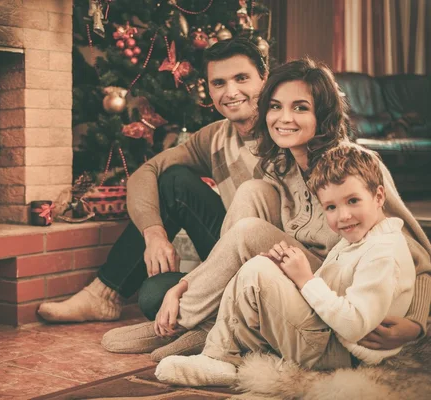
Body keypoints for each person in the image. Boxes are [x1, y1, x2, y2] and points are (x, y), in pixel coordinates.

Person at [102, 58, 431, 363]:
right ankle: (207, 324)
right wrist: (180, 280)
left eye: (300, 108)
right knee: (252, 192)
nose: (284, 118)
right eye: (275, 107)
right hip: (298, 287)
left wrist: (417, 325)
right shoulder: (279, 167)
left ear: (323, 115)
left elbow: (418, 254)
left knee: (248, 230)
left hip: (342, 298)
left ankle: (185, 321)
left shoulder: (353, 167)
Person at [37, 38, 267, 326]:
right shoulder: (215, 137)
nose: (231, 92)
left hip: (273, 263)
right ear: (209, 89)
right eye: (219, 83)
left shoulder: (287, 127)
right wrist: (154, 235)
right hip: (229, 256)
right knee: (153, 295)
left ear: (264, 78)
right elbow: (146, 173)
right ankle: (104, 295)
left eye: (242, 78)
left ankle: (235, 314)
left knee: (164, 299)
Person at [155, 142, 417, 386]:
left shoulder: (382, 252)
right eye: (331, 207)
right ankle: (222, 353)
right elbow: (333, 288)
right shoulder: (360, 238)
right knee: (260, 267)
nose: (344, 216)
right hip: (330, 335)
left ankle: (218, 358)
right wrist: (288, 277)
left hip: (340, 351)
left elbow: (354, 324)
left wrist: (304, 279)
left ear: (379, 196)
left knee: (258, 273)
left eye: (353, 201)